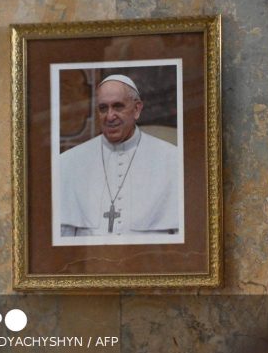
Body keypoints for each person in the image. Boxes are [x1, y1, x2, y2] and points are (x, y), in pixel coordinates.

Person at [58, 74, 181, 238]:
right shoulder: (68, 163)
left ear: (137, 109)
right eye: (103, 108)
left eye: (118, 106)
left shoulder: (173, 160)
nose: (110, 116)